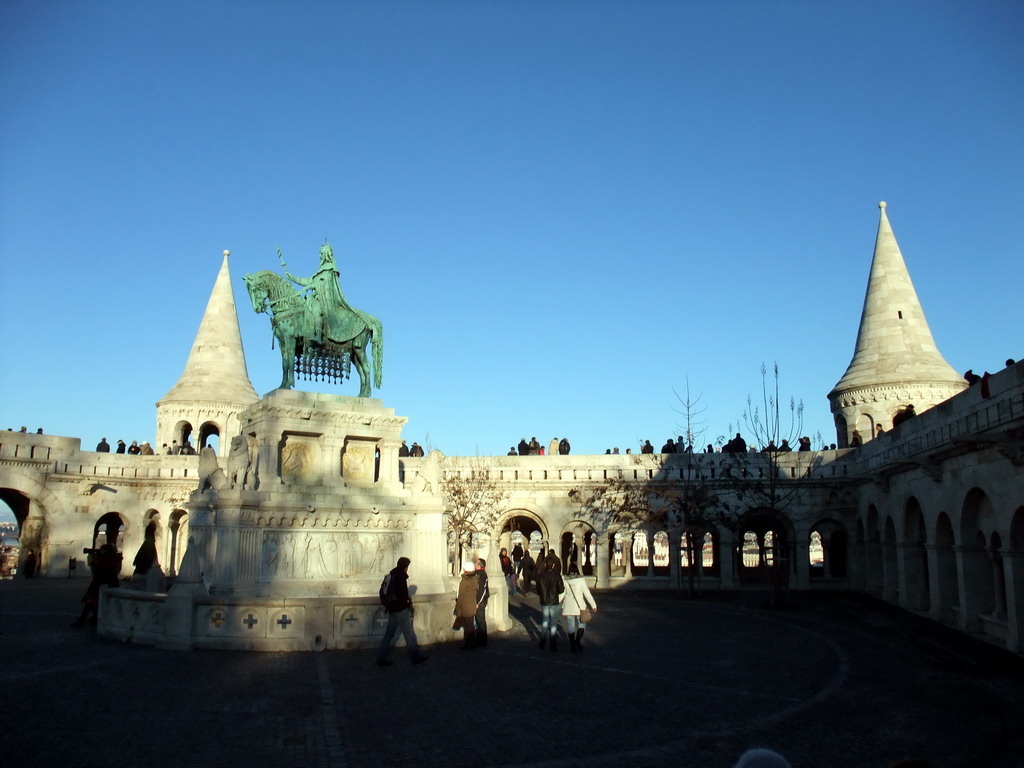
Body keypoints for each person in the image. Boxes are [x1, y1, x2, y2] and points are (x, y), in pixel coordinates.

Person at [376, 556, 428, 666]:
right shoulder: (401, 577)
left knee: (389, 634)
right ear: (406, 566)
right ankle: (415, 656)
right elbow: (402, 595)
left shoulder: (392, 575)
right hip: (400, 609)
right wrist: (408, 604)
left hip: (392, 609)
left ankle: (381, 657)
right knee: (409, 634)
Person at [71, 543, 122, 627]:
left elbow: (95, 566)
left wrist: (95, 557)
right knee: (93, 603)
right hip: (104, 583)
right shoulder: (113, 558)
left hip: (100, 583)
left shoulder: (106, 559)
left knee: (91, 602)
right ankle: (91, 618)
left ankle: (84, 619)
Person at [561, 563, 597, 652]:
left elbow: (562, 593)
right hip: (580, 606)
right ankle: (577, 641)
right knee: (582, 624)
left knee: (570, 626)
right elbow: (587, 593)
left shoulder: (565, 580)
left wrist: (556, 600)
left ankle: (572, 645)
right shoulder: (581, 580)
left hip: (569, 605)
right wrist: (593, 605)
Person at [535, 553, 564, 651]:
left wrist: (542, 595)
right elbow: (561, 589)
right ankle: (553, 644)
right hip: (554, 601)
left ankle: (542, 642)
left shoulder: (540, 576)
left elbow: (538, 590)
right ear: (554, 565)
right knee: (553, 623)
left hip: (544, 602)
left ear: (545, 565)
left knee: (544, 622)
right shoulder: (557, 575)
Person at [454, 561, 479, 650]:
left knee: (467, 626)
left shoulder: (464, 581)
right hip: (472, 604)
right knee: (471, 625)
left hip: (465, 605)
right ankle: (471, 642)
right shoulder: (475, 579)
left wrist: (457, 607)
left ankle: (468, 643)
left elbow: (461, 595)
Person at [475, 558, 490, 647]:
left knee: (480, 621)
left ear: (479, 565)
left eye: (476, 564)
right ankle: (480, 639)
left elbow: (482, 590)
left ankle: (482, 640)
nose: (474, 565)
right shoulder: (481, 574)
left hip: (480, 602)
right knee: (479, 620)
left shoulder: (481, 575)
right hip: (480, 601)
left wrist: (478, 602)